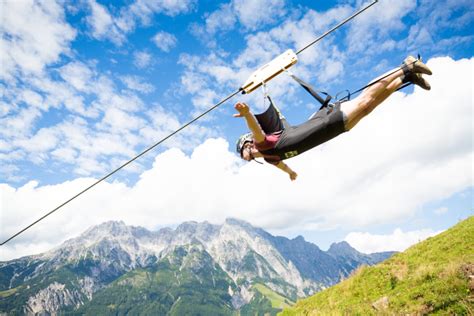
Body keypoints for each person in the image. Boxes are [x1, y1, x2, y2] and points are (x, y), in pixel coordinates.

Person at [234, 55, 432, 181]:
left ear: (246, 144)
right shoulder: (270, 158)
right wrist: (290, 174)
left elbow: (256, 130)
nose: (241, 158)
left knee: (365, 101)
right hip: (333, 131)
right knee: (367, 107)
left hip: (326, 122)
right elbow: (283, 165)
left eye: (240, 152)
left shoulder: (262, 144)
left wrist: (247, 114)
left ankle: (406, 66)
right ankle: (406, 78)